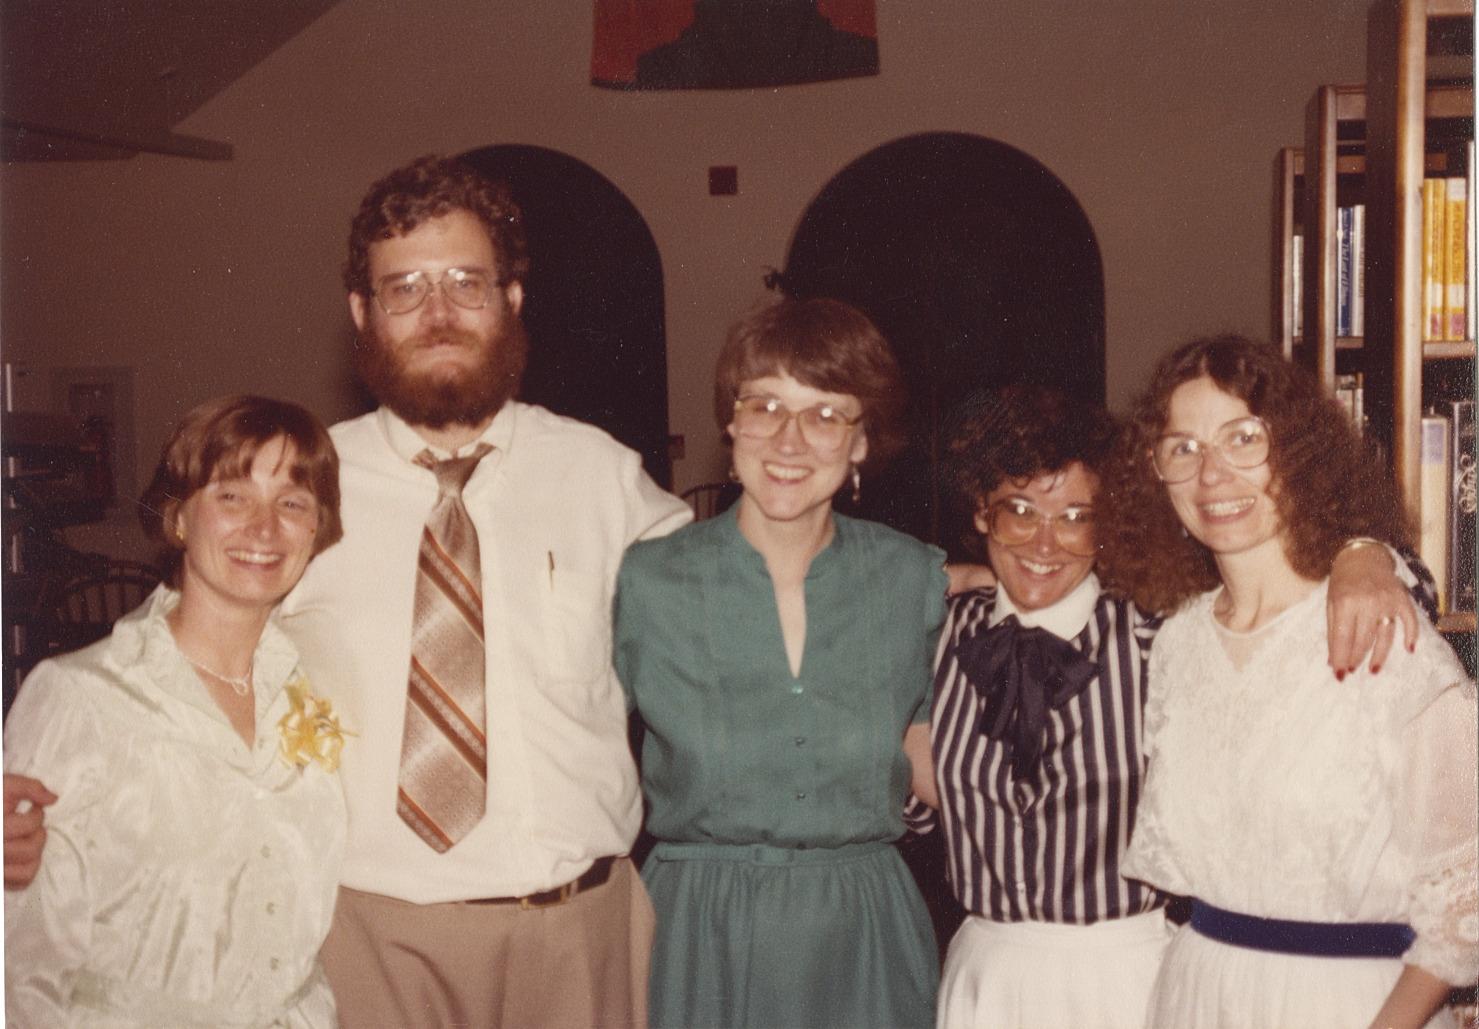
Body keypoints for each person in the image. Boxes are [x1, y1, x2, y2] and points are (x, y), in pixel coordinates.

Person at [275, 154, 691, 1027]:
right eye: (404, 289)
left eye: (466, 281)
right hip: (369, 936)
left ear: (512, 298)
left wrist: (931, 578)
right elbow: (178, 655)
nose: (436, 313)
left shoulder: (602, 475)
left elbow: (742, 598)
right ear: (363, 313)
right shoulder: (299, 480)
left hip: (576, 934)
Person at [917, 382, 1431, 1029]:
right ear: (980, 512)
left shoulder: (1156, 631)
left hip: (1126, 976)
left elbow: (1345, 595)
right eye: (1019, 510)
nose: (1044, 542)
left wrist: (1365, 555)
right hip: (980, 978)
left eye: (1076, 516)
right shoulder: (938, 638)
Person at [1104, 335, 1478, 1028]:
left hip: (1345, 1005)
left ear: (1297, 454)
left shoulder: (1379, 627)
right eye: (1182, 447)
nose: (1210, 474)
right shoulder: (1179, 641)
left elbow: (1466, 897)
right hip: (1196, 992)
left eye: (1243, 438)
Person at [614, 297, 945, 1028]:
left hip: (863, 931)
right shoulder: (647, 581)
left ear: (860, 443)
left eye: (826, 414)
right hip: (702, 931)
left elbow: (935, 759)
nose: (789, 440)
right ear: (731, 424)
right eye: (765, 406)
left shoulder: (910, 578)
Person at [4, 394, 347, 1027]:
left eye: (292, 503)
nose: (265, 528)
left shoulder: (317, 690)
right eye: (232, 496)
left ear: (317, 530)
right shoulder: (77, 697)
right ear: (180, 518)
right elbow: (20, 963)